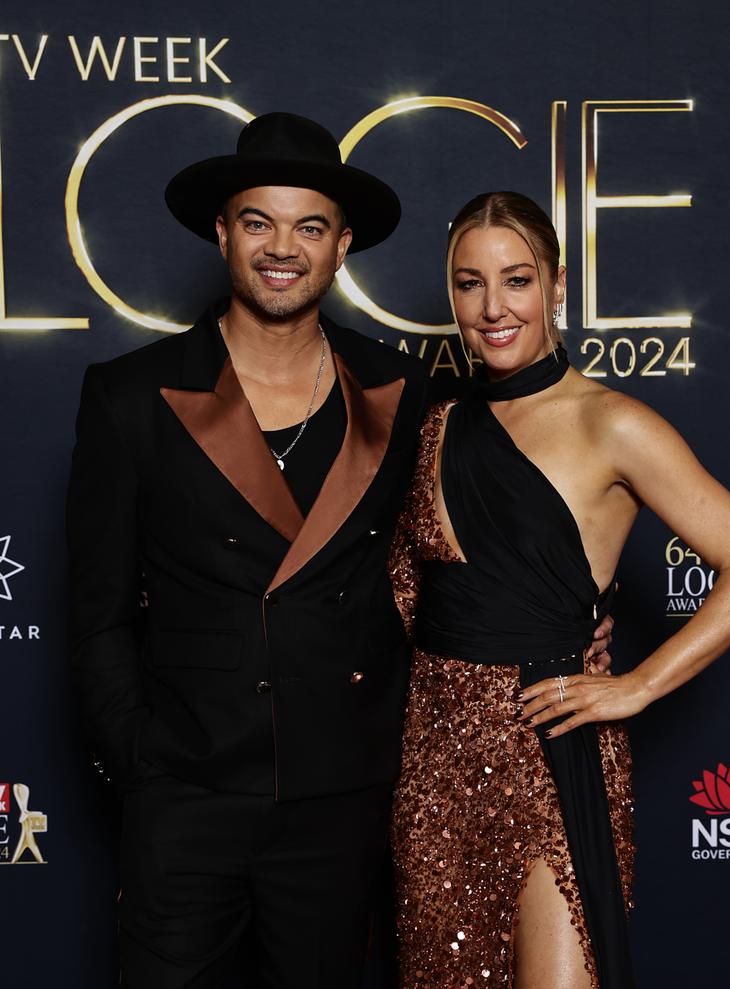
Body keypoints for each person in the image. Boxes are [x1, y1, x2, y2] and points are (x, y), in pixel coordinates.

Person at [66, 115, 612, 988]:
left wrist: (573, 623)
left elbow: (495, 532)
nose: (283, 248)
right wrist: (141, 763)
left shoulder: (406, 392)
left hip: (341, 803)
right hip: (185, 798)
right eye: (259, 222)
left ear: (341, 245)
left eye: (310, 226)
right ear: (222, 232)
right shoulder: (129, 396)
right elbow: (95, 614)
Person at [387, 190, 730, 989]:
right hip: (432, 761)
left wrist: (634, 684)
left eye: (517, 280)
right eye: (470, 284)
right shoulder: (434, 427)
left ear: (558, 285)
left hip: (551, 752)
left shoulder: (614, 422)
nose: (493, 307)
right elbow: (402, 592)